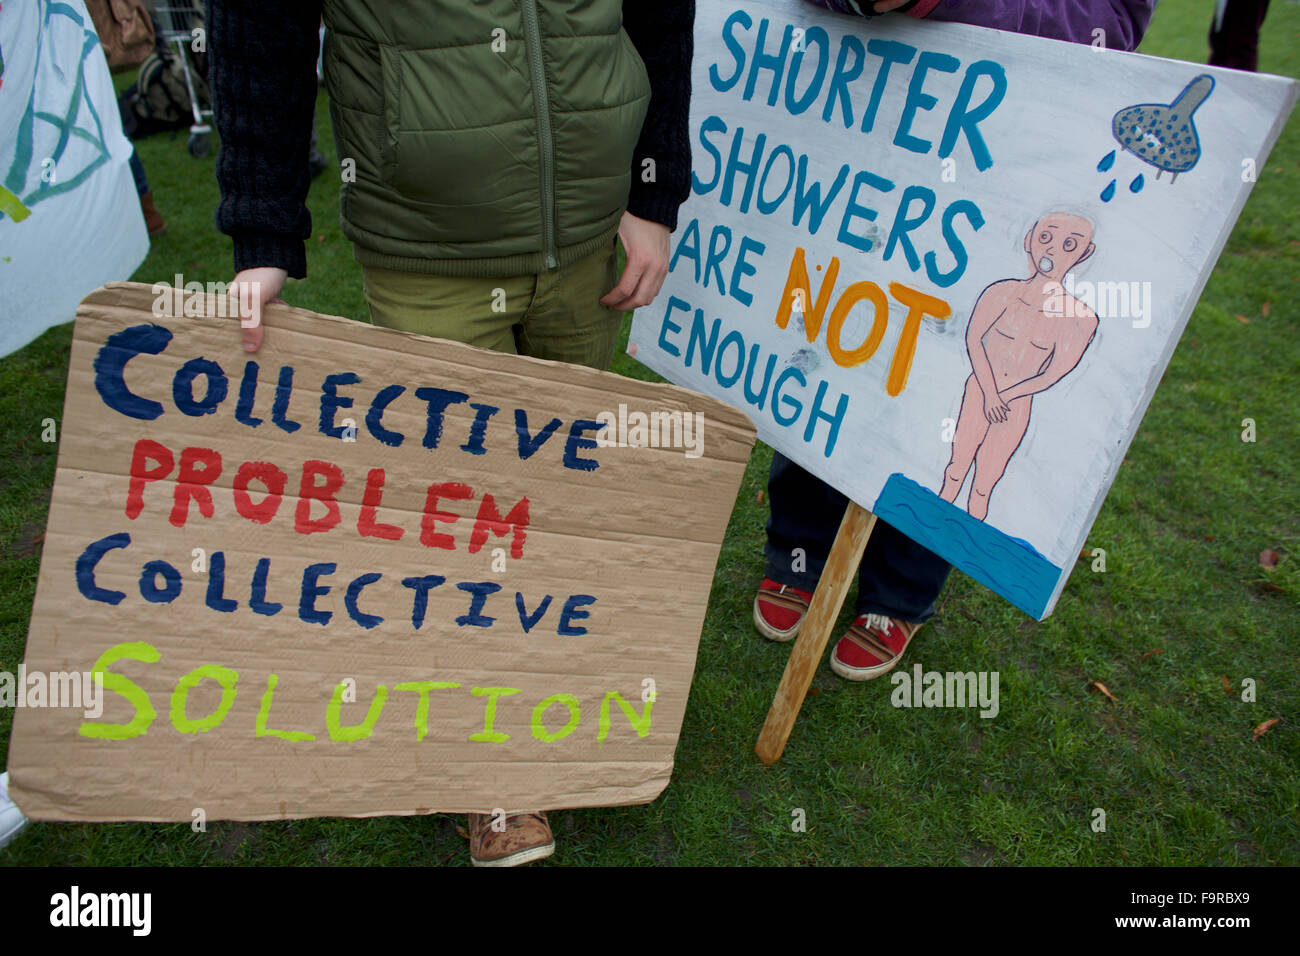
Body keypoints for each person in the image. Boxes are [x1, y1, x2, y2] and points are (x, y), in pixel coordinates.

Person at [207, 0, 694, 866]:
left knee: (561, 503)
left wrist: (653, 185)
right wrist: (263, 223)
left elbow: (659, 8)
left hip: (585, 239)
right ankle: (489, 773)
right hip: (425, 243)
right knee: (465, 522)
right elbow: (256, 21)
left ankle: (560, 699)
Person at [755, 0, 1155, 682]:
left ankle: (898, 593)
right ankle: (799, 554)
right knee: (832, 350)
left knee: (941, 415)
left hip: (1001, 157)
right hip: (860, 136)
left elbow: (1113, 16)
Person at [940, 212, 1098, 521]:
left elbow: (1052, 374)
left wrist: (1006, 397)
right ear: (1029, 239)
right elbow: (975, 340)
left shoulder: (1078, 319)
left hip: (1015, 406)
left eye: (1068, 244)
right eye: (1045, 238)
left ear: (1085, 253)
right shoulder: (1001, 293)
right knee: (956, 468)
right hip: (979, 391)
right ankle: (926, 531)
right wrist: (990, 393)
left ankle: (964, 544)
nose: (1052, 250)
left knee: (985, 483)